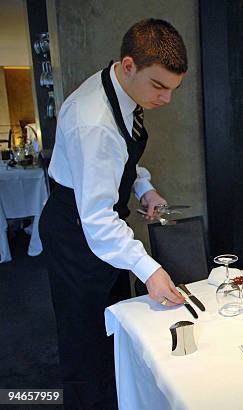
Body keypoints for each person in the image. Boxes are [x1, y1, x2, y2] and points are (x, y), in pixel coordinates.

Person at [39, 19, 187, 409]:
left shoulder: (118, 89)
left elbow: (116, 161)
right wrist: (149, 268)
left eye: (173, 89)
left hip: (98, 226)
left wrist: (144, 186)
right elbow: (98, 220)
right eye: (158, 86)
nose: (166, 99)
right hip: (76, 233)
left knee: (114, 325)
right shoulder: (94, 122)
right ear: (128, 65)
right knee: (85, 341)